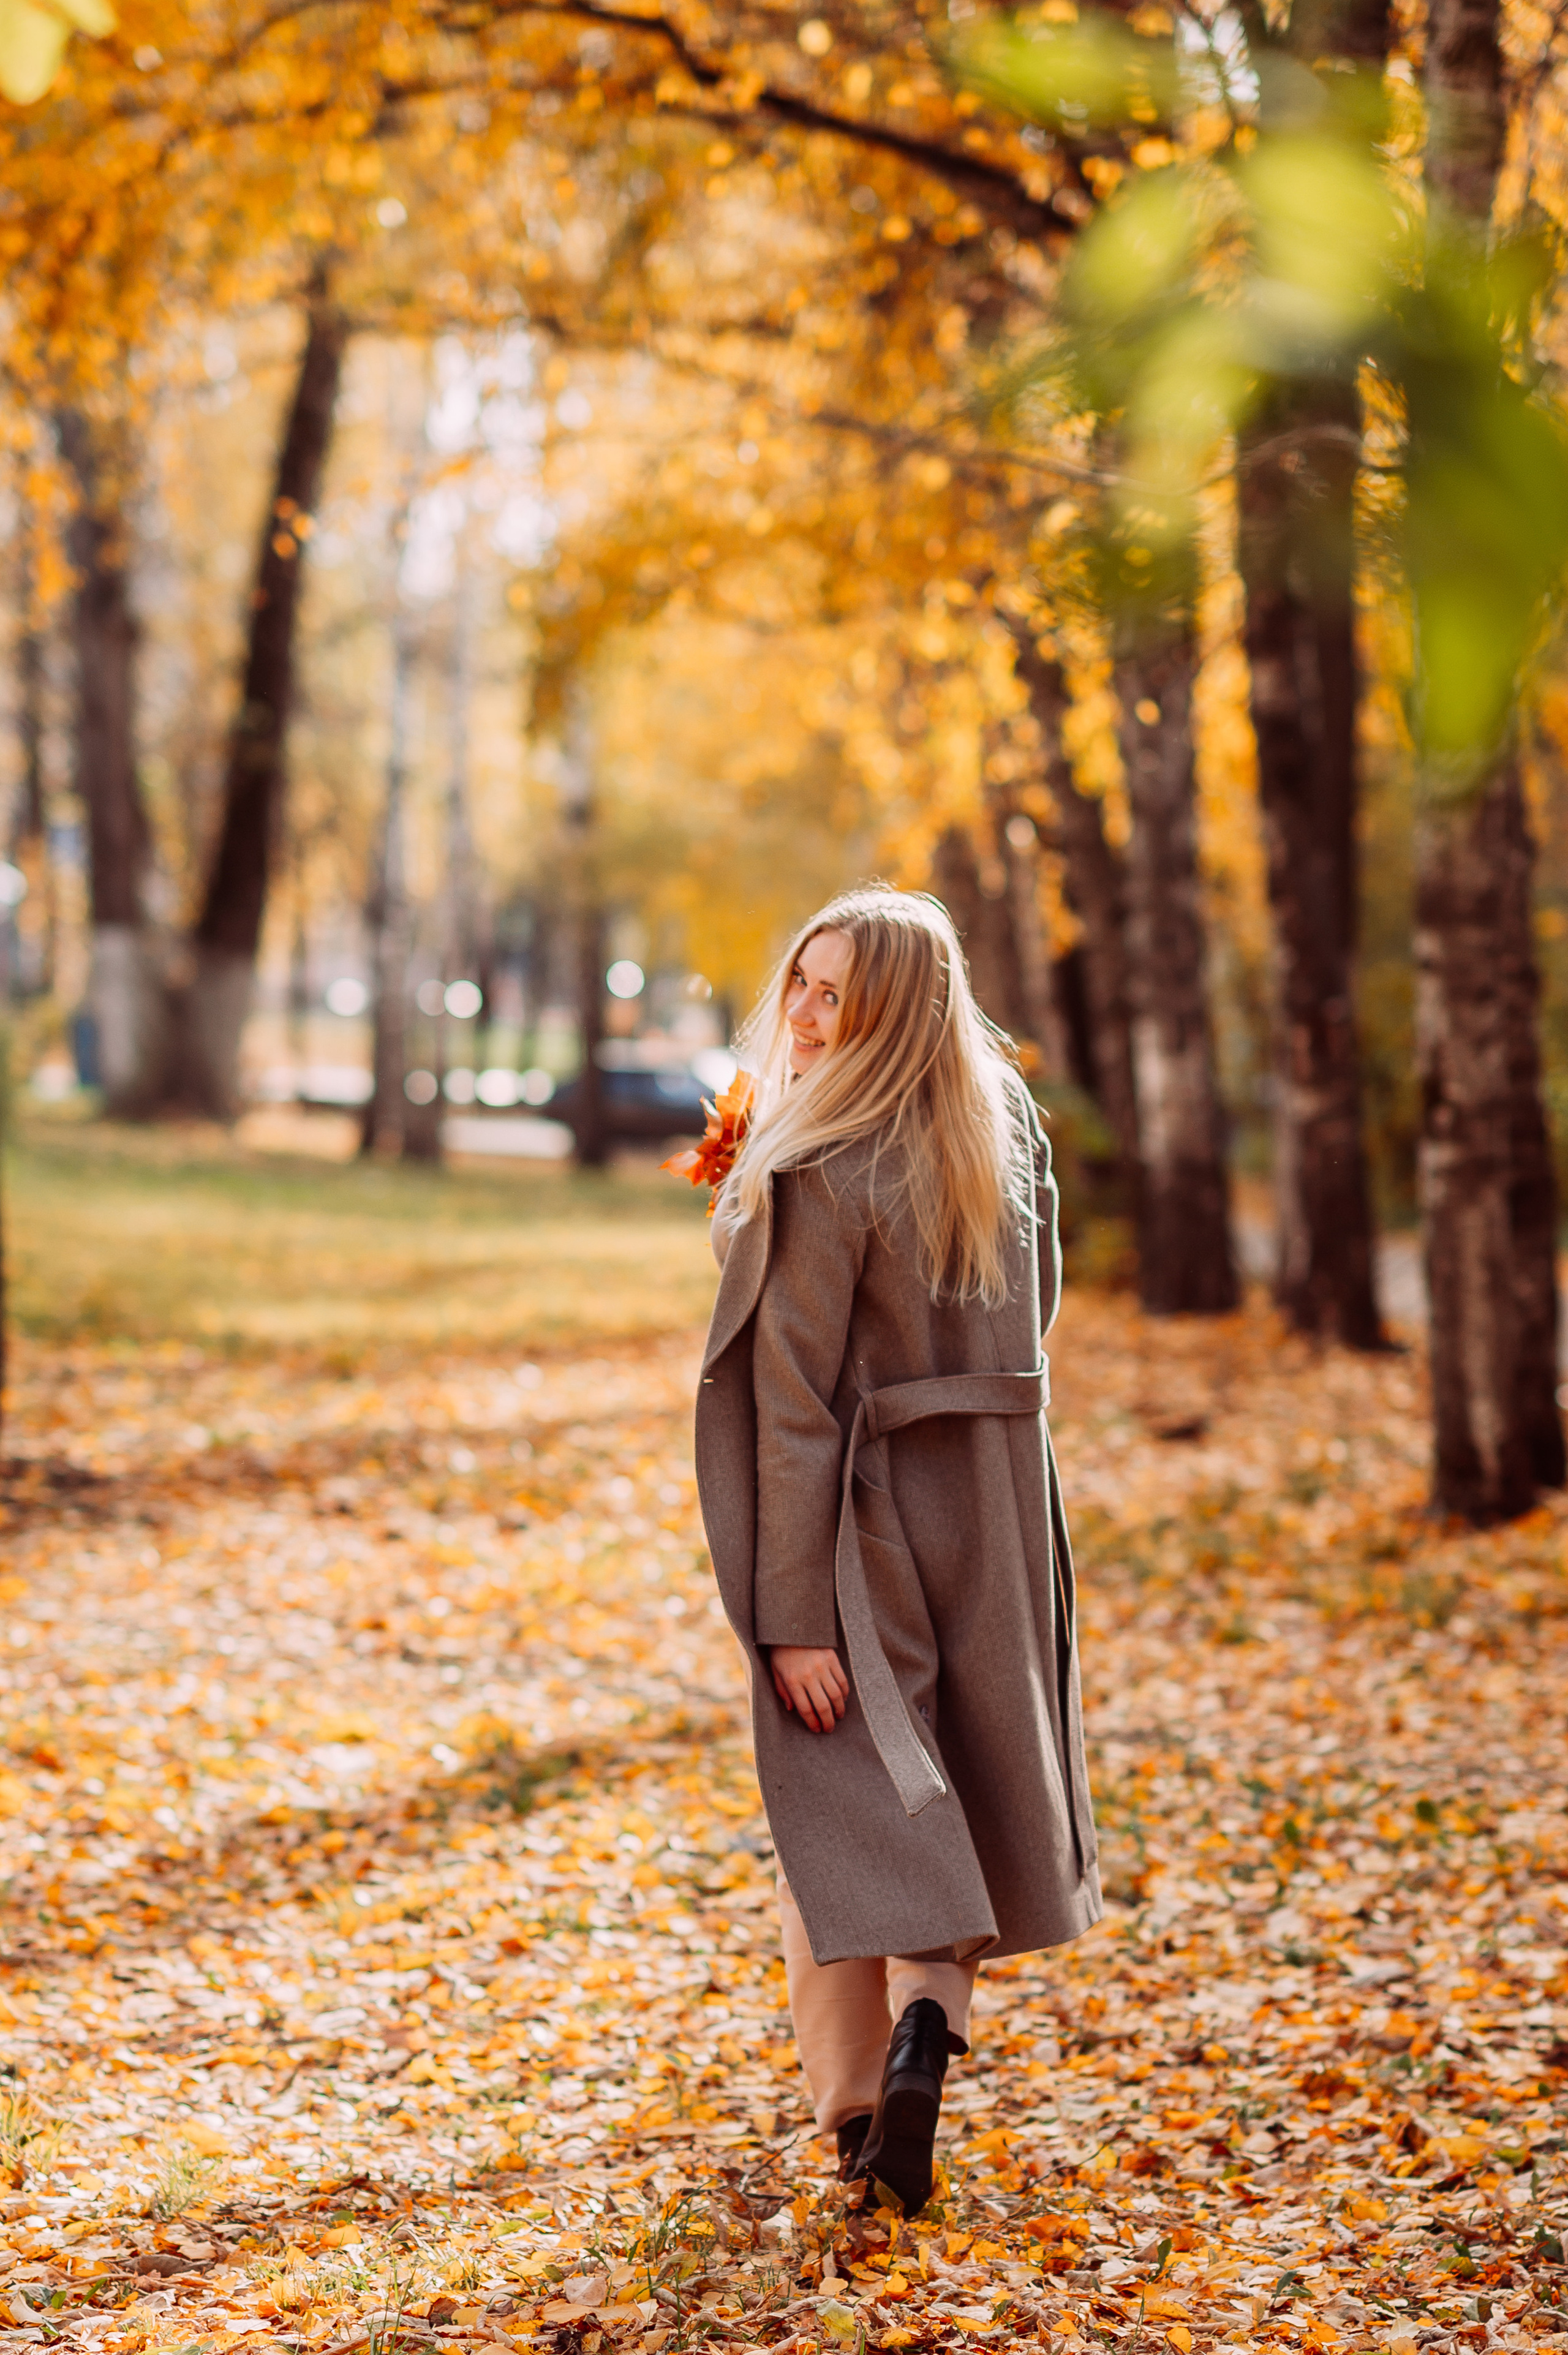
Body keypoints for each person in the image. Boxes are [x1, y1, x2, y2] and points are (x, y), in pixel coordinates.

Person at [696, 884, 1100, 2215]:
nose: (808, 1015)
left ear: (895, 1010)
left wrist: (791, 1613)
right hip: (995, 1502)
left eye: (839, 996)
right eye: (802, 985)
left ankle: (860, 2106)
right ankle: (931, 2023)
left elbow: (792, 1400)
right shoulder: (1002, 1120)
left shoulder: (823, 1156)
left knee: (837, 1810)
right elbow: (1037, 1303)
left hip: (860, 1521)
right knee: (956, 1780)